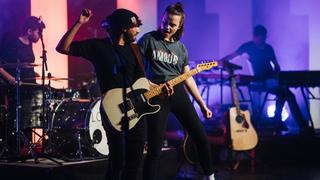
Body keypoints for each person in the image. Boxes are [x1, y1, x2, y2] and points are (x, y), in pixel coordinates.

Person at [56, 8, 169, 180]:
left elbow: (143, 83)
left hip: (137, 111)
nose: (138, 30)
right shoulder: (99, 46)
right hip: (112, 110)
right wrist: (79, 23)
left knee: (134, 162)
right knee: (117, 163)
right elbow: (63, 48)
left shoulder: (136, 51)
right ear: (124, 28)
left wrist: (161, 89)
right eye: (134, 27)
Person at [138, 2, 215, 180]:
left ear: (180, 26)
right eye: (165, 22)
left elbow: (188, 77)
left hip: (178, 93)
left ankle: (210, 177)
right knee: (154, 149)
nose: (167, 27)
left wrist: (202, 105)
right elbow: (136, 69)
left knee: (201, 138)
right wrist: (150, 85)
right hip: (155, 94)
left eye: (172, 24)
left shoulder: (181, 48)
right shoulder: (148, 39)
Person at [220, 25, 312, 135]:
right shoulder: (248, 46)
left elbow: (276, 65)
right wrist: (220, 62)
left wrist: (279, 77)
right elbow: (233, 56)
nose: (263, 41)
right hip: (259, 80)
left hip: (271, 78)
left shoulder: (268, 48)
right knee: (287, 95)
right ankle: (292, 124)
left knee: (286, 95)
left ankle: (280, 122)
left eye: (264, 38)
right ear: (254, 37)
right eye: (260, 38)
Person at [0, 16, 45, 144]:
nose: (40, 35)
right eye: (38, 32)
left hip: (28, 86)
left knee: (29, 118)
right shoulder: (12, 43)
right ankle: (15, 146)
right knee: (18, 117)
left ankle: (27, 146)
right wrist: (10, 78)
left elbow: (27, 67)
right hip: (16, 87)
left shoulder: (29, 44)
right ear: (29, 31)